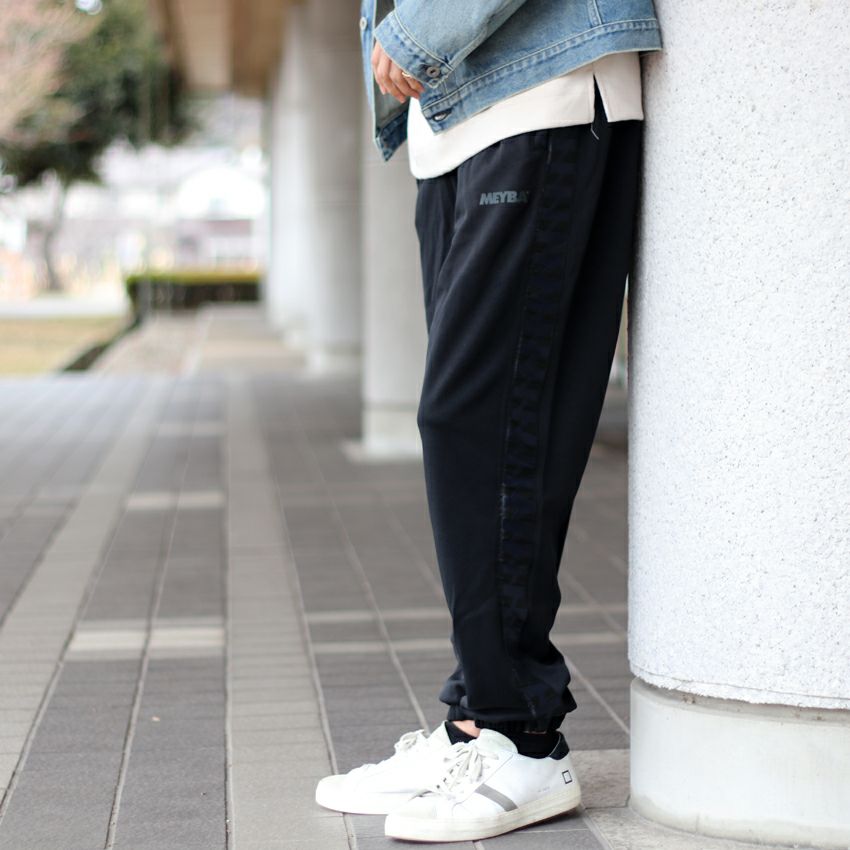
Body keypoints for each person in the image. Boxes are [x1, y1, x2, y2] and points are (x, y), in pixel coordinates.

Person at [316, 0, 662, 842]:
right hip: (457, 116)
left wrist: (420, 29)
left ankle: (523, 736)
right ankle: (478, 719)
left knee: (480, 427)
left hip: (540, 91)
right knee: (485, 431)